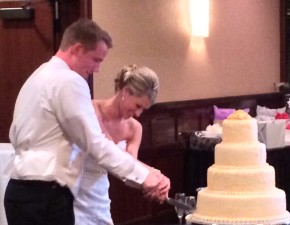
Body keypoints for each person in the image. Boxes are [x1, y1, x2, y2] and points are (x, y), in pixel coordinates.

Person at [4, 19, 168, 225]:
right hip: (45, 196)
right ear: (77, 49)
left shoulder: (37, 76)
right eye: (96, 60)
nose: (97, 69)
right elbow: (94, 143)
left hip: (18, 192)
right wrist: (144, 177)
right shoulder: (70, 81)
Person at [73, 64, 170, 225]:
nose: (138, 114)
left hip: (98, 194)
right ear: (125, 92)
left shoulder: (135, 128)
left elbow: (128, 166)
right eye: (138, 106)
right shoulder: (89, 110)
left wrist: (158, 178)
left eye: (143, 110)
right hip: (73, 188)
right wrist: (150, 175)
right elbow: (104, 151)